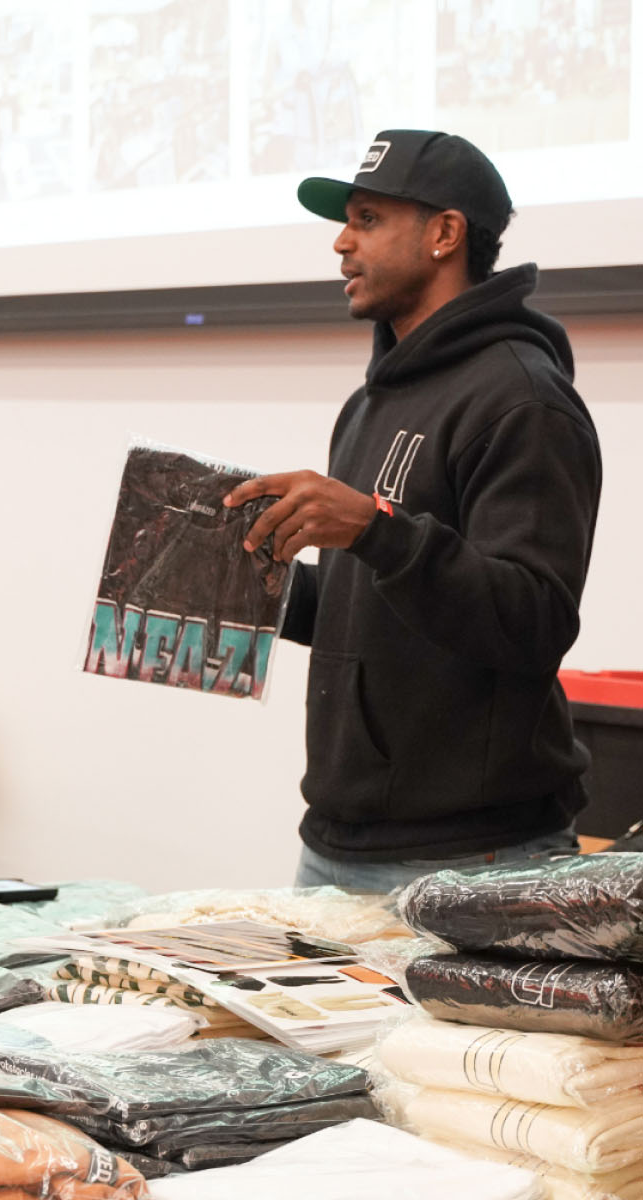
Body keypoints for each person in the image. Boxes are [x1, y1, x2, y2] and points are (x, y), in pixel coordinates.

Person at [223, 129, 601, 893]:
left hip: (473, 857)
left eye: (367, 219)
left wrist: (374, 530)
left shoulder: (522, 399)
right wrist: (253, 584)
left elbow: (533, 620)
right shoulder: (368, 404)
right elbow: (375, 604)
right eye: (345, 222)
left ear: (444, 233)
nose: (340, 243)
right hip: (336, 844)